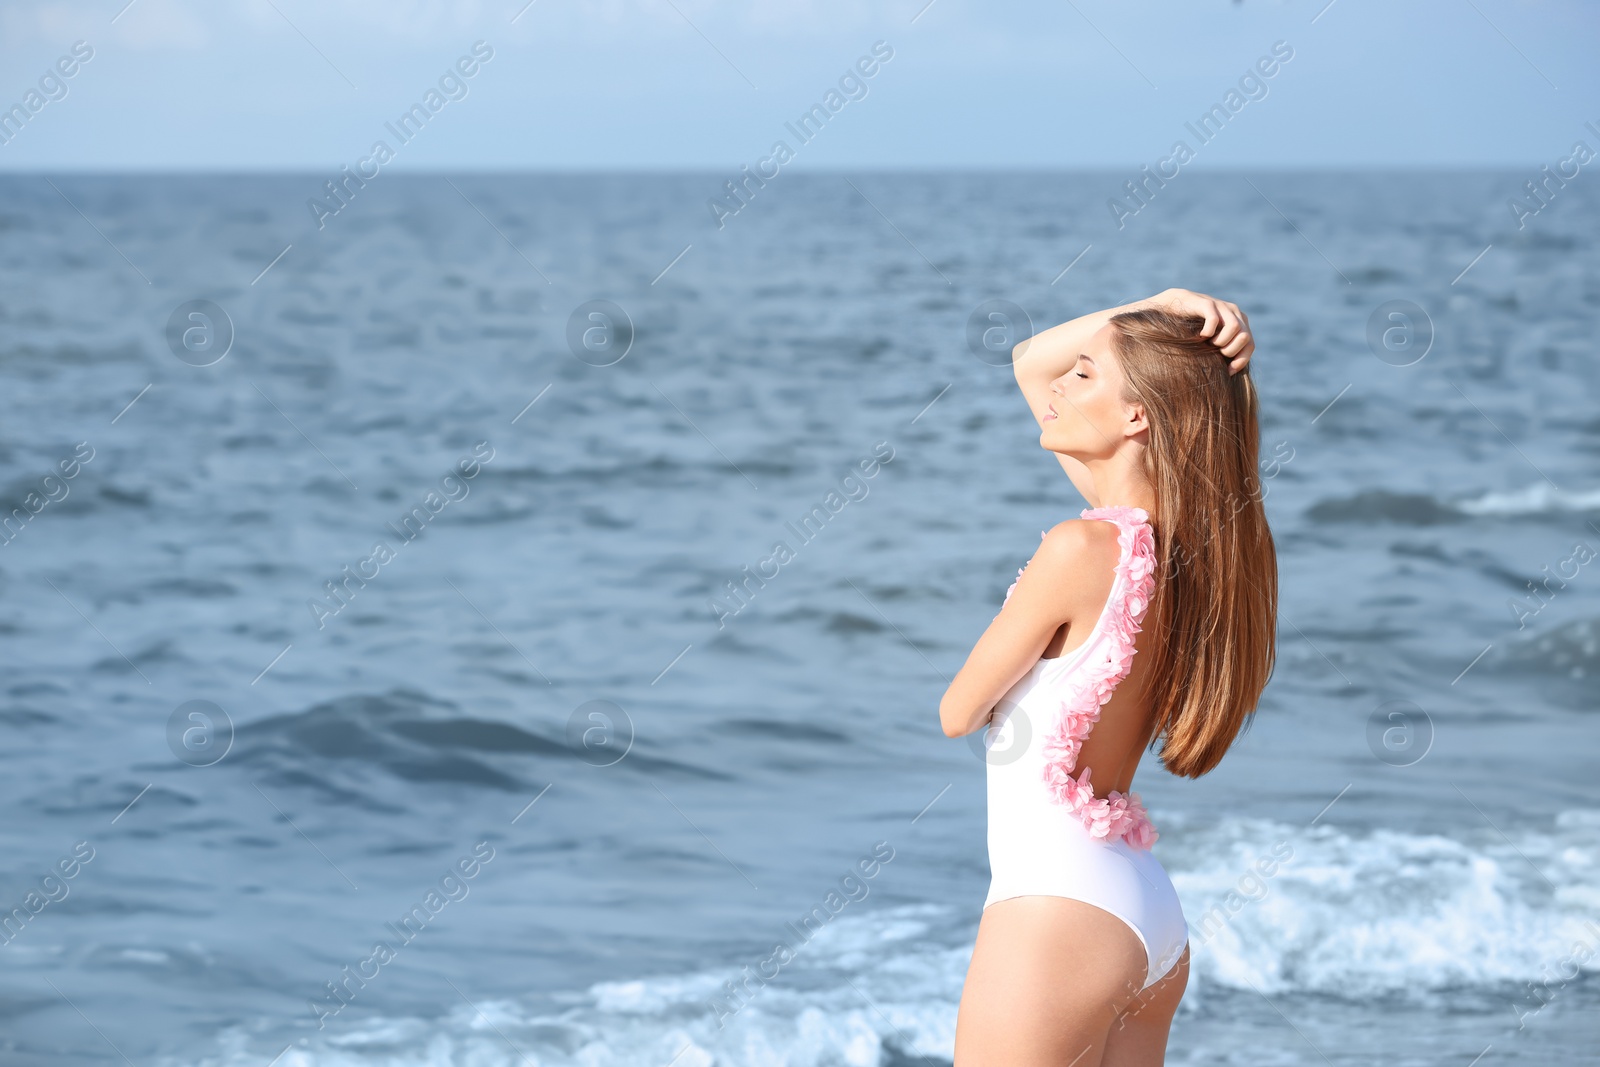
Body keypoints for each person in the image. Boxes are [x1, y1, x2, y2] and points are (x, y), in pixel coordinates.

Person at [939, 289, 1278, 1066]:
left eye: (1084, 375)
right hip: (1145, 916)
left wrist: (1152, 312)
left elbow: (958, 709)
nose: (1057, 386)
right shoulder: (1196, 555)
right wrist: (1158, 306)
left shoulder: (1079, 550)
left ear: (1137, 417)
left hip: (1057, 911)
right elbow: (1029, 362)